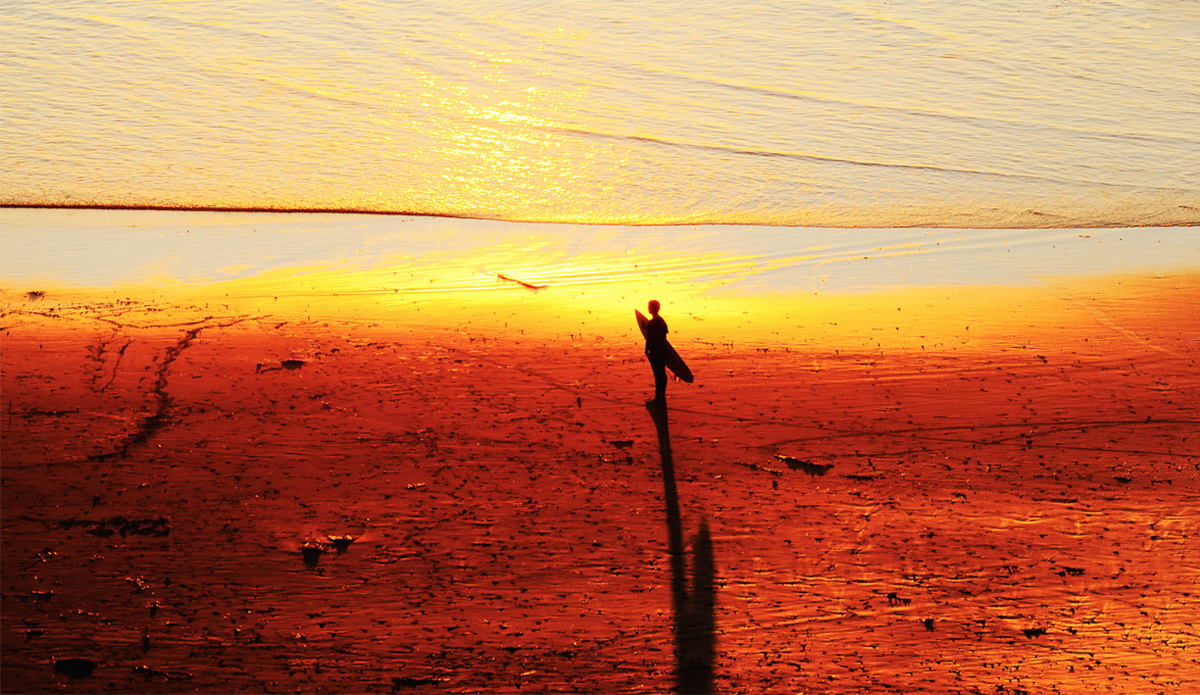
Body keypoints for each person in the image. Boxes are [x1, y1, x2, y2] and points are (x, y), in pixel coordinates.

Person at [644, 300, 669, 406]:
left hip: (657, 351)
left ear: (653, 308)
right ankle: (660, 396)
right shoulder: (659, 321)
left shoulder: (654, 323)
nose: (648, 308)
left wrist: (647, 350)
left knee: (659, 374)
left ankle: (660, 397)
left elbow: (650, 339)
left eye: (649, 306)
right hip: (658, 351)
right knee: (659, 374)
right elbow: (663, 337)